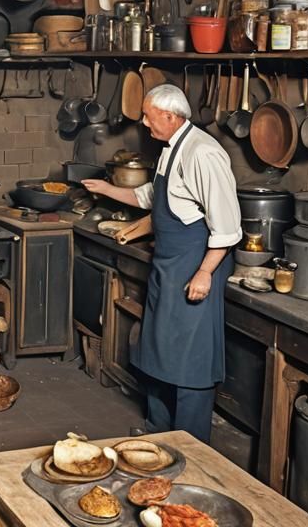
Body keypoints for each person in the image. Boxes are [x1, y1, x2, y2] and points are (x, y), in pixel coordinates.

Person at [82, 83, 241, 443]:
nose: (143, 122)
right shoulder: (172, 147)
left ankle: (189, 441)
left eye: (148, 116)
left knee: (190, 357)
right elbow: (152, 197)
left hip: (195, 264)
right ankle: (158, 431)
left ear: (169, 117)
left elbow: (228, 226)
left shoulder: (203, 153)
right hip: (168, 264)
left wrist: (204, 272)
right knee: (156, 348)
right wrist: (106, 189)